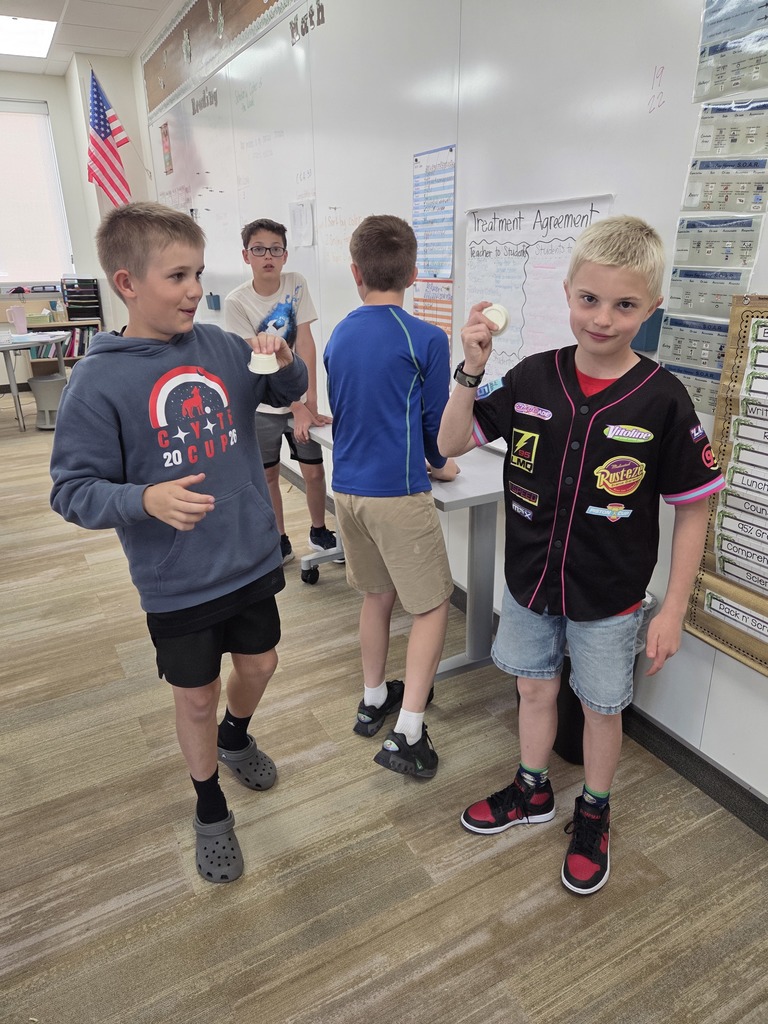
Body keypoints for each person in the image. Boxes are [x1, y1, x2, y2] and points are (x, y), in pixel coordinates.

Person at [438, 215, 725, 894]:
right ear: (567, 293)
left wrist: (673, 608)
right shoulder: (534, 378)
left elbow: (694, 507)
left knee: (601, 708)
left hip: (610, 596)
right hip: (532, 583)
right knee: (533, 688)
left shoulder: (661, 399)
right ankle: (532, 790)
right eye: (589, 300)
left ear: (651, 310)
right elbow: (451, 442)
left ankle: (593, 810)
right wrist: (470, 369)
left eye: (625, 305)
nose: (602, 319)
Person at [49, 202, 308, 884]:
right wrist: (143, 500)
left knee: (260, 665)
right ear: (127, 284)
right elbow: (71, 489)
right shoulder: (98, 381)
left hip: (248, 555)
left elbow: (286, 387)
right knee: (194, 695)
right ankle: (208, 804)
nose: (196, 289)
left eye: (198, 273)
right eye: (177, 277)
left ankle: (235, 736)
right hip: (177, 578)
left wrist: (282, 363)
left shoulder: (222, 347)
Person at [323, 214, 460, 779]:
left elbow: (351, 410)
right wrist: (443, 467)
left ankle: (373, 697)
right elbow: (434, 434)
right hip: (397, 495)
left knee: (376, 596)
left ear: (355, 272)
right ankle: (408, 731)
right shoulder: (425, 337)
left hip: (347, 491)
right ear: (413, 273)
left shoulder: (340, 332)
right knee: (431, 607)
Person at [224, 218, 339, 566]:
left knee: (314, 471)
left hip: (301, 402)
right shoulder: (236, 302)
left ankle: (319, 530)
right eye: (259, 249)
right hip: (262, 405)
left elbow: (305, 342)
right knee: (269, 473)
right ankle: (278, 537)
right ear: (246, 256)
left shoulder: (296, 284)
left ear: (285, 255)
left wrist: (310, 402)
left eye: (275, 249)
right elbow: (260, 361)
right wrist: (295, 405)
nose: (268, 256)